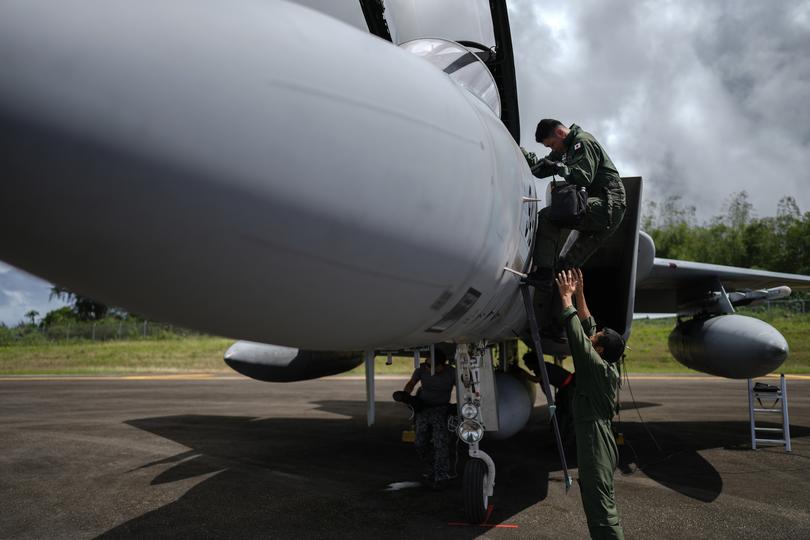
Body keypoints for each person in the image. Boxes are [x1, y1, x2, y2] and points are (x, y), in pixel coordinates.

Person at [526, 119, 627, 337]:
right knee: (566, 268)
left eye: (551, 145)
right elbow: (542, 168)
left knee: (549, 217)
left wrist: (560, 168)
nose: (552, 150)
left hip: (608, 205)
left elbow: (583, 176)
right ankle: (561, 325)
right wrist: (520, 153)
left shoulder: (582, 142)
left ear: (561, 134)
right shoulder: (565, 148)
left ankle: (543, 273)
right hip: (602, 210)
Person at [555, 268, 625, 540]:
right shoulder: (604, 362)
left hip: (596, 443)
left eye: (596, 339)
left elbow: (575, 333)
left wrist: (566, 298)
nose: (593, 335)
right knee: (598, 499)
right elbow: (589, 327)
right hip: (599, 438)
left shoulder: (594, 366)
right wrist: (582, 293)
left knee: (601, 511)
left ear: (600, 350)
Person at [395, 350, 456, 488]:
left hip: (441, 410)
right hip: (423, 409)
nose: (427, 368)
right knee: (420, 443)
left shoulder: (452, 372)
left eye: (431, 366)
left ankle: (441, 476)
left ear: (442, 365)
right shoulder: (421, 370)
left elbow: (463, 388)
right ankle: (435, 466)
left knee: (441, 443)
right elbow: (411, 383)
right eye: (427, 365)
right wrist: (406, 395)